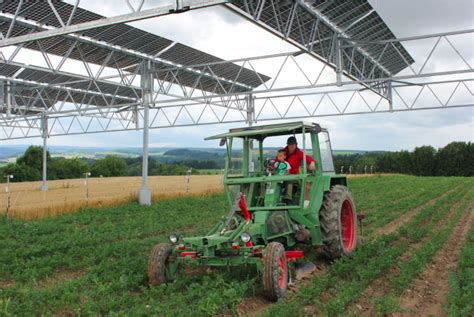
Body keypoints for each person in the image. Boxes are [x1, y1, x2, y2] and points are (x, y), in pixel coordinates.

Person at [278, 136, 316, 205]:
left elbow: (307, 157)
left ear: (296, 145)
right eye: (290, 144)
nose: (292, 146)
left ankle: (288, 199)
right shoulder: (283, 152)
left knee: (289, 180)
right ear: (288, 145)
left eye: (293, 144)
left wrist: (312, 162)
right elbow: (277, 159)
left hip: (294, 175)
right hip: (282, 174)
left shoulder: (298, 153)